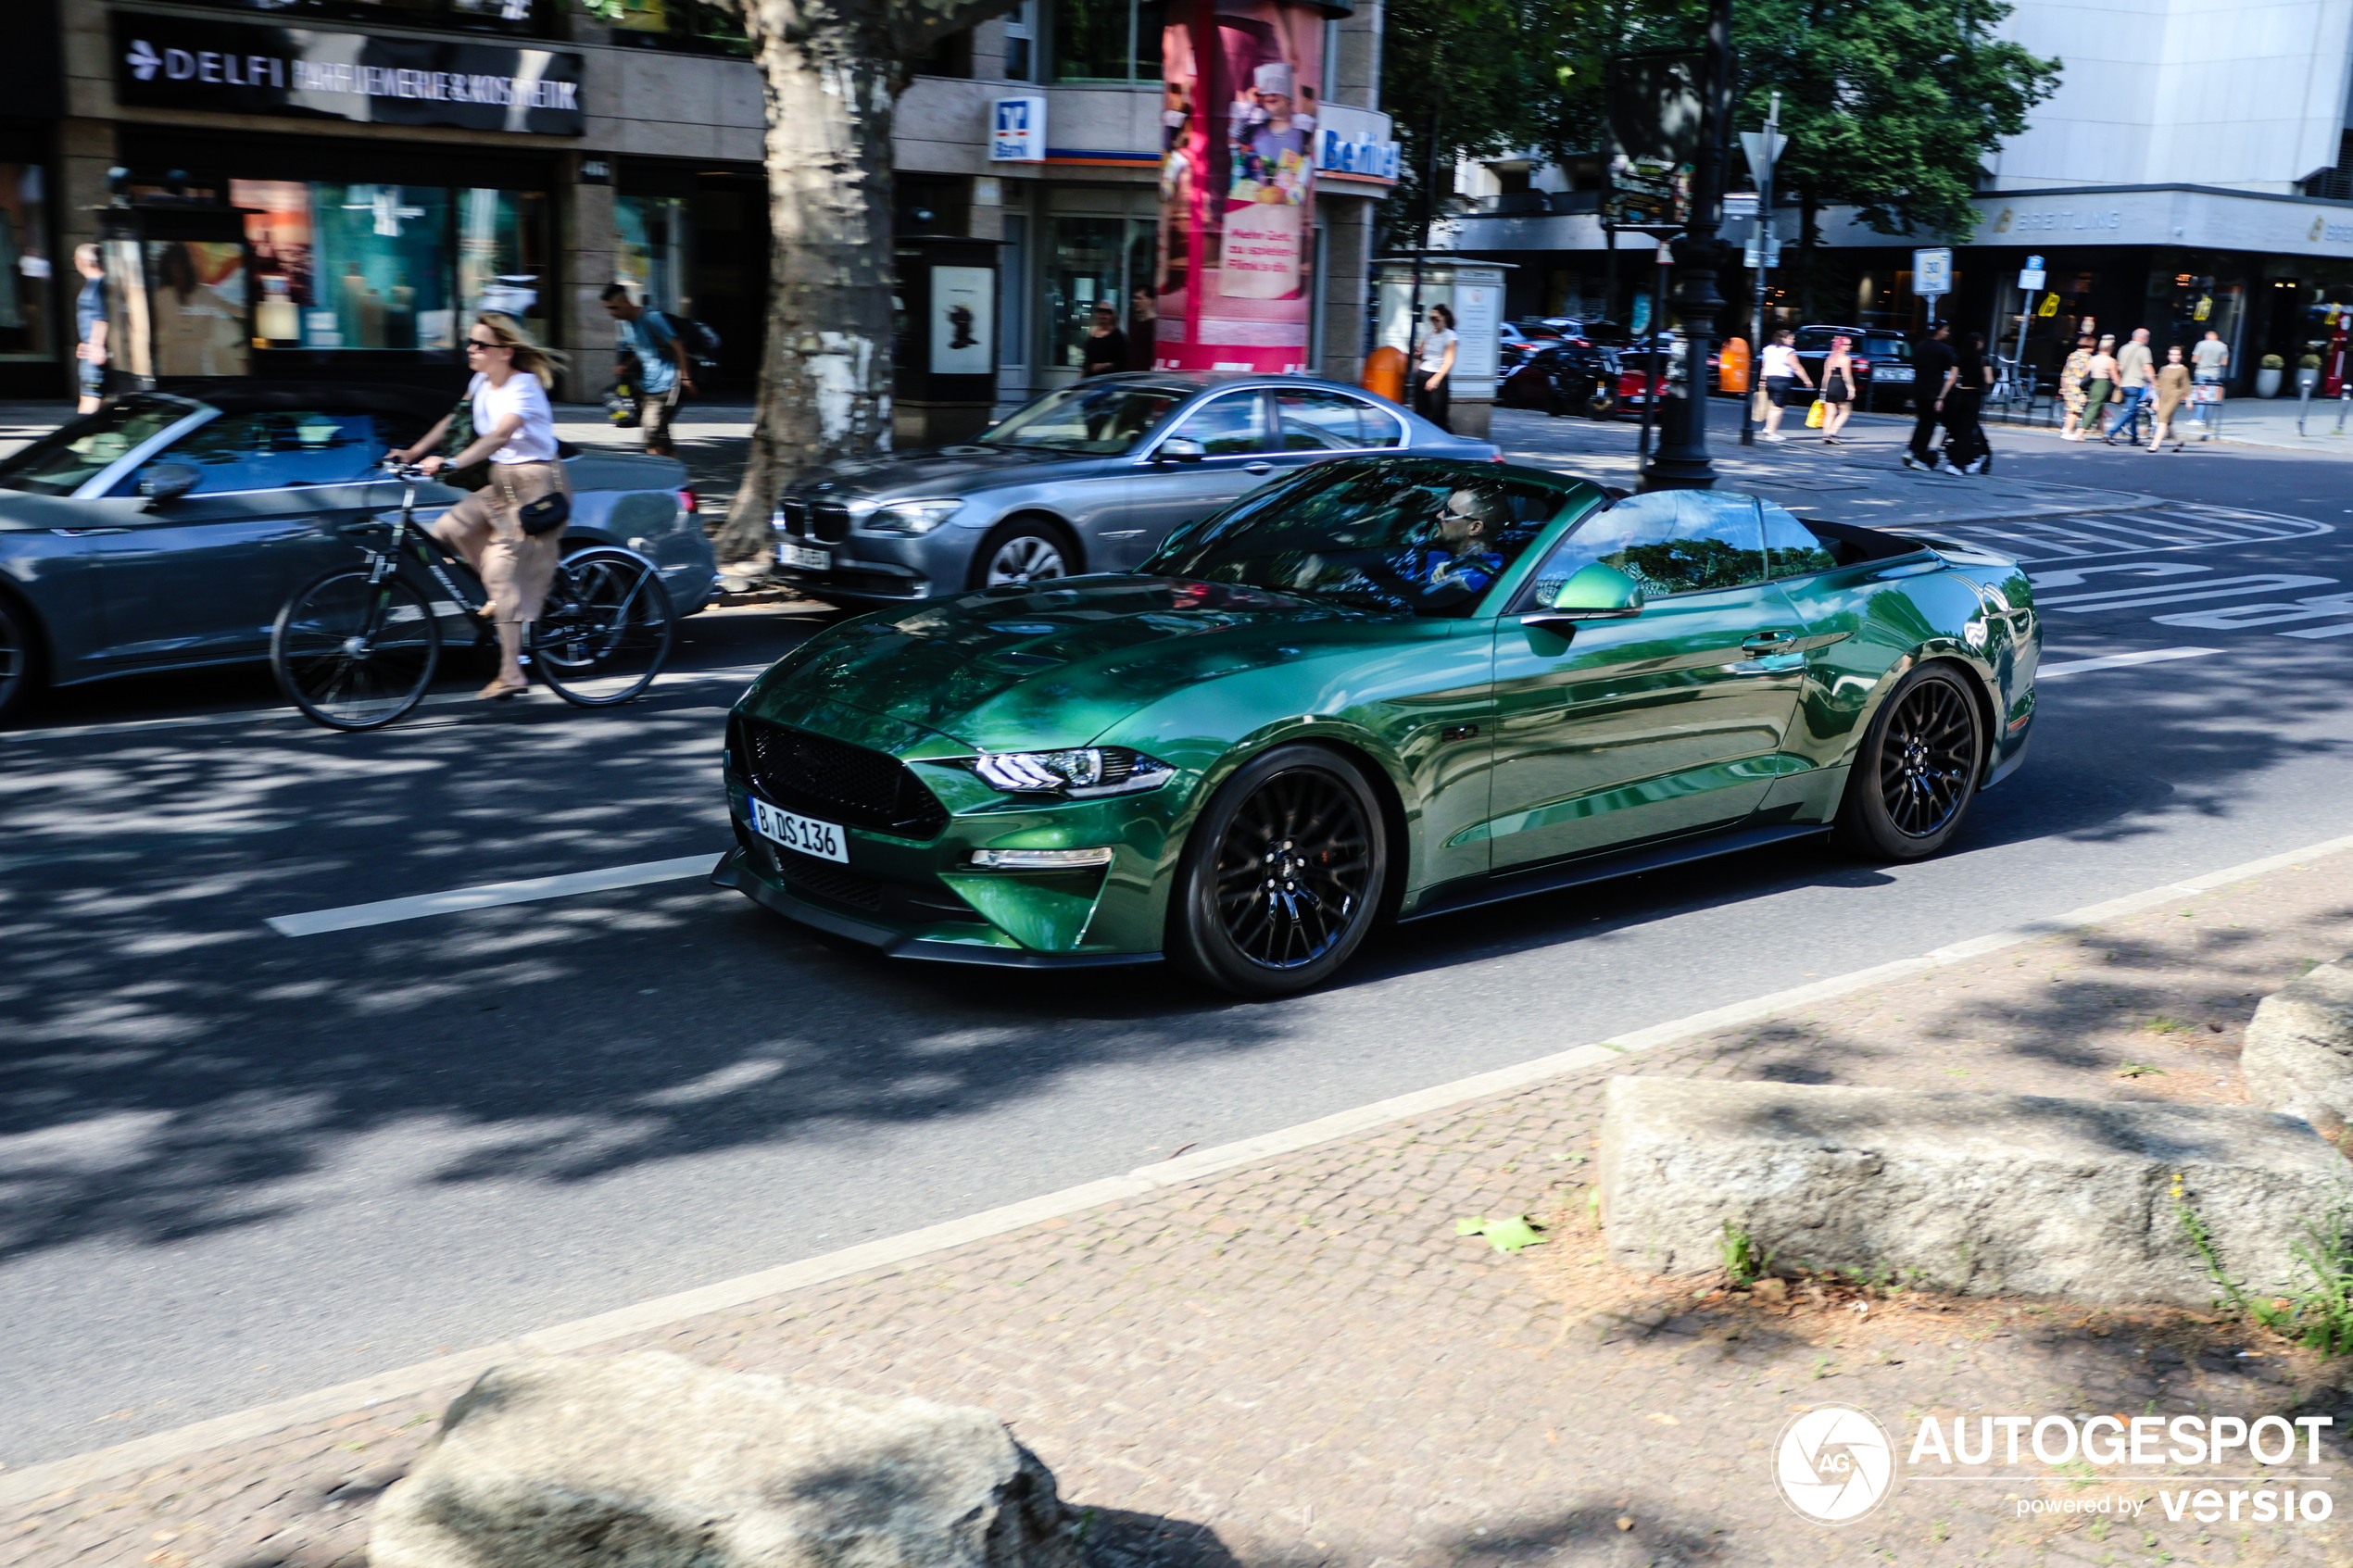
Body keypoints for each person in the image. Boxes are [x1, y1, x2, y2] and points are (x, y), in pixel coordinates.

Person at [388, 314, 573, 701]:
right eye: (470, 343)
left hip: (536, 484)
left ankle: (512, 673)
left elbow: (501, 434)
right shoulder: (480, 381)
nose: (471, 350)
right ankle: (498, 595)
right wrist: (414, 451)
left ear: (505, 352)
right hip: (503, 480)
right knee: (447, 530)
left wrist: (454, 462)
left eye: (480, 345)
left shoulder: (524, 386)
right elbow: (453, 420)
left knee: (502, 573)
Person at [600, 283, 693, 458]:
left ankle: (657, 473)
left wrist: (686, 377)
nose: (611, 313)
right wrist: (627, 366)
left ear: (627, 302)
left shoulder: (653, 318)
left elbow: (678, 347)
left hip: (667, 384)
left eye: (614, 307)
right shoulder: (627, 325)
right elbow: (643, 349)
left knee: (651, 429)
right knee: (660, 433)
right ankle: (675, 474)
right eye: (608, 308)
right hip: (647, 386)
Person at [1942, 331, 1995, 473]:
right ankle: (1957, 464)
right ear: (1978, 344)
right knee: (1966, 432)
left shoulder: (1960, 359)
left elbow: (1951, 379)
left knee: (1958, 430)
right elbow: (1989, 380)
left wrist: (1941, 397)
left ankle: (1960, 461)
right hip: (1973, 395)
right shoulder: (1983, 360)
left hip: (1960, 395)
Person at [1905, 321, 1955, 470]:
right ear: (1939, 331)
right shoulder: (1944, 350)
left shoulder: (1919, 346)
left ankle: (1912, 450)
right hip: (1933, 391)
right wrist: (1941, 397)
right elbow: (1951, 370)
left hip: (1918, 389)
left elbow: (1914, 365)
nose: (1947, 333)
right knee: (1929, 423)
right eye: (1946, 330)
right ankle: (1918, 456)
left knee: (1922, 421)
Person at [1759, 327, 1812, 442]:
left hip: (1770, 379)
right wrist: (1806, 380)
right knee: (1778, 408)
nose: (1793, 341)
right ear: (1784, 339)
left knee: (1773, 405)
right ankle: (1772, 432)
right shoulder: (1789, 351)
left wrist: (1762, 380)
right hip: (1783, 380)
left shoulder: (1768, 349)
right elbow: (1796, 367)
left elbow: (1764, 365)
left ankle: (1768, 427)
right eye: (1791, 338)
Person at [2103, 326, 2154, 445]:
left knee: (2133, 410)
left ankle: (2134, 438)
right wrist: (2154, 382)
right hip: (2135, 384)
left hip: (2124, 384)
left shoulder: (2123, 348)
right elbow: (2147, 368)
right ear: (2144, 338)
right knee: (2130, 411)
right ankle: (2110, 433)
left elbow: (2119, 367)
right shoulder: (2144, 350)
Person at [72, 244, 107, 414]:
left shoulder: (99, 285)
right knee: (93, 402)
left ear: (83, 261)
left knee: (89, 403)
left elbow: (102, 317)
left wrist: (96, 345)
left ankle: (77, 438)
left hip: (94, 355)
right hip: (91, 350)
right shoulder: (96, 284)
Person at [1415, 304, 1458, 431]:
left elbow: (1449, 361)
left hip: (1436, 376)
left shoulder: (1450, 336)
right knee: (1420, 413)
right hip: (1423, 373)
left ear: (1444, 318)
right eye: (1431, 318)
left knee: (1438, 416)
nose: (1433, 321)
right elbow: (1421, 353)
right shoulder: (1429, 334)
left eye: (1436, 318)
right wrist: (1418, 354)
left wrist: (1436, 379)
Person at [2148, 344, 2193, 451]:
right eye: (2172, 354)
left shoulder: (2183, 369)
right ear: (2168, 356)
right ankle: (2178, 442)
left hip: (2175, 395)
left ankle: (2155, 445)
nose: (2175, 356)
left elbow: (2186, 385)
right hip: (2163, 396)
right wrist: (2156, 400)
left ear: (2181, 357)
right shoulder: (2163, 369)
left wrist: (2189, 399)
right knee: (2166, 421)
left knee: (2162, 419)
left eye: (2177, 354)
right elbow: (2159, 385)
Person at [1817, 333, 1858, 443]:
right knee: (1845, 411)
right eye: (1847, 344)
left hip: (1830, 385)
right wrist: (1851, 389)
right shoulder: (1846, 359)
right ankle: (1833, 432)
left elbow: (1825, 376)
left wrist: (1823, 391)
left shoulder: (1829, 359)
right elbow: (1846, 376)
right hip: (1840, 385)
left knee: (1830, 413)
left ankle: (1826, 435)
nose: (1850, 346)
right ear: (1841, 345)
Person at [2057, 332, 2095, 440]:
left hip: (2068, 383)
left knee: (2070, 408)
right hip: (2078, 385)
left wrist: (2062, 386)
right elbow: (2087, 372)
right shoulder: (2088, 358)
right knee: (2076, 410)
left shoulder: (2072, 355)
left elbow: (2065, 372)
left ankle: (2065, 428)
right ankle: (2068, 432)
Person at [2189, 328, 2229, 429]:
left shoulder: (2201, 344)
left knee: (2201, 396)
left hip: (2201, 372)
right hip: (2214, 373)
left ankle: (2198, 418)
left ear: (2207, 336)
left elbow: (2195, 359)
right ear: (2216, 337)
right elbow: (2224, 362)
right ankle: (2208, 420)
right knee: (2211, 397)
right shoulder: (2223, 346)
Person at [1079, 301, 1129, 378]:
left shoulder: (1118, 336)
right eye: (1100, 311)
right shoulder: (1092, 333)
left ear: (1113, 315)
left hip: (1108, 380)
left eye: (1107, 312)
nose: (1103, 314)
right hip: (1090, 380)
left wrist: (1103, 366)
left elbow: (1122, 362)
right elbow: (1087, 361)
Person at [2083, 333, 2118, 438]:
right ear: (2111, 348)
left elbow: (2085, 372)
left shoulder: (2093, 358)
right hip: (2102, 383)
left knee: (2099, 409)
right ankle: (2080, 431)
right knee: (2094, 408)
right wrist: (2121, 386)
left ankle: (2104, 434)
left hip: (2093, 383)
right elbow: (2114, 377)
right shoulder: (2110, 360)